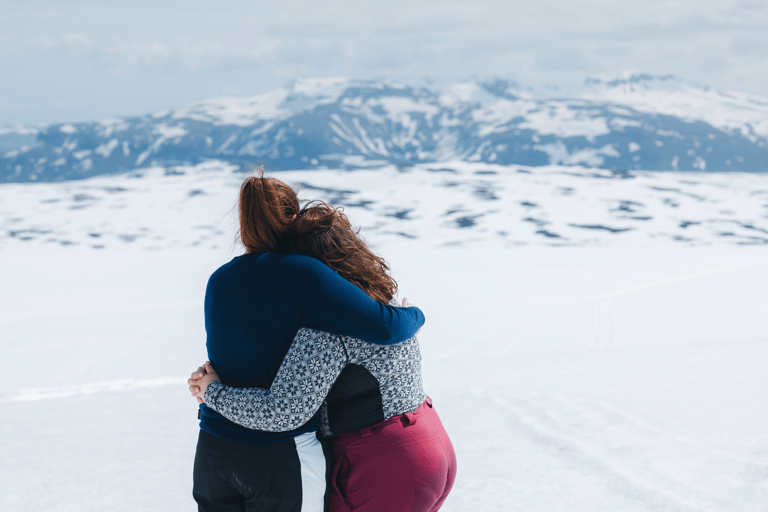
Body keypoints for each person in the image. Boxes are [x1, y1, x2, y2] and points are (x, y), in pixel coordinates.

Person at [189, 195, 457, 512]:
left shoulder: (326, 328)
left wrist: (212, 391)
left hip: (380, 463)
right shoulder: (378, 302)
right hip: (430, 443)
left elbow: (282, 411)